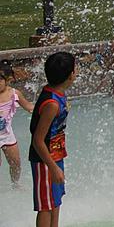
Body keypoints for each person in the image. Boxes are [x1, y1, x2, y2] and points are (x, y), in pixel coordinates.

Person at [29, 52, 76, 227]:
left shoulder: (56, 91)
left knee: (54, 200)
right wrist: (53, 167)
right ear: (71, 75)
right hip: (44, 160)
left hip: (55, 155)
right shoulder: (52, 103)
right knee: (45, 206)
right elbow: (38, 140)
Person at [0, 61, 34, 189]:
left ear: (8, 80)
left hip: (7, 135)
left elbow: (29, 107)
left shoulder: (14, 94)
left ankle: (15, 184)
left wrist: (45, 107)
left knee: (16, 163)